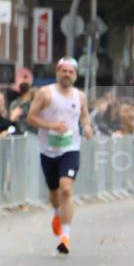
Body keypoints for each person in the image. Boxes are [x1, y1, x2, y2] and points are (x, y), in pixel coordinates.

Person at [26, 57, 94, 255]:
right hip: (48, 149)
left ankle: (65, 237)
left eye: (70, 72)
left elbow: (85, 116)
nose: (67, 75)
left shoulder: (80, 96)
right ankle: (57, 212)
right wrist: (51, 126)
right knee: (54, 193)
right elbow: (30, 117)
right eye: (63, 71)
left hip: (70, 148)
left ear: (75, 75)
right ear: (57, 72)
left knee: (66, 189)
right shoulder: (45, 93)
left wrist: (88, 127)